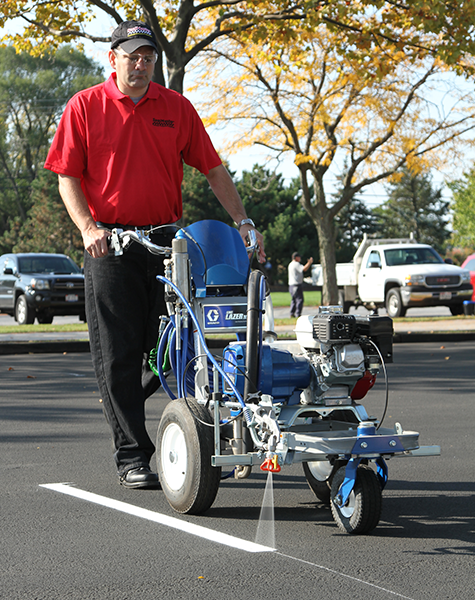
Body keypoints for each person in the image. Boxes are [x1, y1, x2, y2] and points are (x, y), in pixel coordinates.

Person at [44, 20, 265, 489]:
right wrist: (88, 227)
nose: (141, 64)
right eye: (132, 56)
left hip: (167, 244)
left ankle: (198, 438)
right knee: (118, 356)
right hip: (111, 245)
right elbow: (67, 176)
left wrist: (243, 221)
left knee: (176, 351)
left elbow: (212, 167)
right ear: (114, 59)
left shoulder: (176, 108)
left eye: (148, 57)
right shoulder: (86, 106)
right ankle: (132, 455)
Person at [288, 251, 313, 318]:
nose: (300, 258)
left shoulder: (290, 264)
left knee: (294, 300)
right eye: (299, 257)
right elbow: (304, 269)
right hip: (296, 285)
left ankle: (292, 313)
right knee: (299, 300)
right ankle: (298, 314)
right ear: (296, 258)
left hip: (291, 285)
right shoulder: (296, 264)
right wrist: (309, 263)